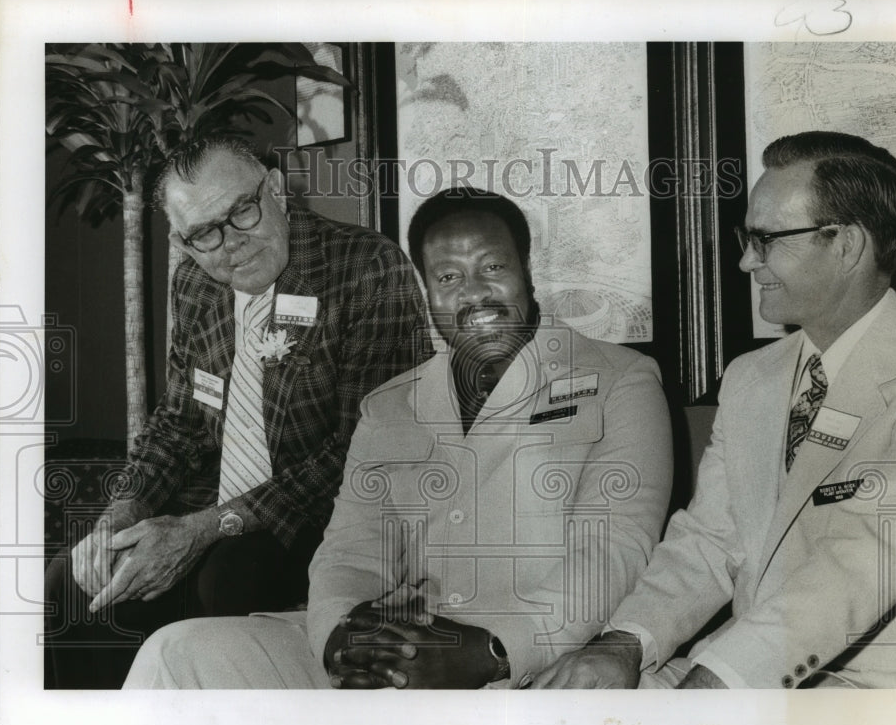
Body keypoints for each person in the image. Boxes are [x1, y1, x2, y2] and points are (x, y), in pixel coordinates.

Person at [122, 187, 673, 689]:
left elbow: (613, 552)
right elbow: (350, 550)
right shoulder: (390, 406)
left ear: (527, 272)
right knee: (176, 655)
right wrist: (342, 636)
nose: (475, 294)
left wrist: (494, 649)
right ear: (428, 291)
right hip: (394, 653)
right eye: (449, 278)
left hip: (532, 667)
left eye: (492, 267)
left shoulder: (619, 380)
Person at [533, 131, 896, 690]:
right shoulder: (751, 378)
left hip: (881, 700)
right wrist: (625, 643)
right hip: (742, 675)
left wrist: (721, 681)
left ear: (847, 245)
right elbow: (707, 540)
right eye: (746, 237)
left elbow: (864, 560)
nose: (744, 261)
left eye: (766, 239)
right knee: (553, 704)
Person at [45, 137, 431, 688]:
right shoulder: (195, 283)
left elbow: (361, 451)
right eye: (204, 233)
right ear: (182, 241)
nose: (230, 245)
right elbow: (176, 425)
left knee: (229, 580)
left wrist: (204, 530)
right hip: (210, 509)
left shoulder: (365, 266)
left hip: (325, 519)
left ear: (275, 190)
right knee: (71, 583)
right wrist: (119, 517)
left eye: (241, 212)